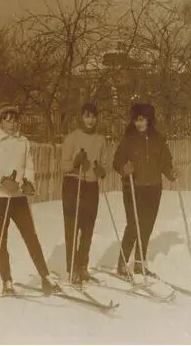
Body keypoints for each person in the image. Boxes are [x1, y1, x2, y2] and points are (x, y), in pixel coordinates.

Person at [0, 103, 62, 295]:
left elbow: (29, 166)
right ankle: (6, 281)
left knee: (30, 236)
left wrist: (29, 182)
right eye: (7, 120)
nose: (12, 124)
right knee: (0, 240)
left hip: (18, 198)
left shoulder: (23, 142)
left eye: (14, 120)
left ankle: (45, 276)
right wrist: (2, 180)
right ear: (1, 121)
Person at [112, 102, 179, 279]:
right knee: (133, 225)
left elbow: (165, 162)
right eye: (136, 120)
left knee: (147, 226)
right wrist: (124, 168)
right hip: (133, 187)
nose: (139, 124)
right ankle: (122, 263)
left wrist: (171, 172)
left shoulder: (158, 139)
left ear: (149, 120)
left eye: (142, 120)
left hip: (153, 188)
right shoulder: (129, 139)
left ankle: (139, 265)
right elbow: (116, 161)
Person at [60, 103, 108, 285]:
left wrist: (100, 170)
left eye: (93, 117)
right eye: (87, 116)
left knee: (88, 228)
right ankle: (72, 268)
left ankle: (82, 266)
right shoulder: (72, 138)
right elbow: (62, 165)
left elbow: (105, 163)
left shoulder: (101, 139)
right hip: (73, 184)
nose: (90, 120)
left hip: (91, 185)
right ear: (81, 117)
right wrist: (75, 162)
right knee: (73, 227)